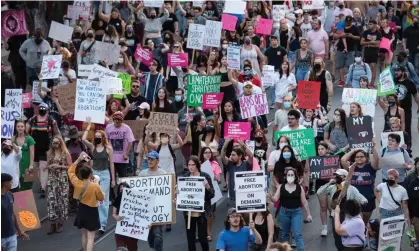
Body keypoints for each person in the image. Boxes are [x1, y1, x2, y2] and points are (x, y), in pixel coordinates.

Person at [82, 120, 115, 234]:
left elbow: (111, 164)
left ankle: (103, 224)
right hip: (95, 174)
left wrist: (113, 179)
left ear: (103, 138)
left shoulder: (108, 149)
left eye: (99, 136)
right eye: (95, 136)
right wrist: (89, 126)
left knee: (103, 199)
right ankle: (96, 220)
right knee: (94, 198)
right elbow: (83, 139)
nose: (97, 138)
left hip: (105, 174)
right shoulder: (92, 147)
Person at [270, 167, 312, 251]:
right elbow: (275, 199)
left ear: (295, 176)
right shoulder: (281, 187)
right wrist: (270, 196)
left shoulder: (299, 188)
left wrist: (308, 214)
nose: (290, 176)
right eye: (288, 175)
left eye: (292, 175)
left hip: (296, 212)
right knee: (285, 234)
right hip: (284, 212)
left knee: (297, 234)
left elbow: (304, 201)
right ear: (285, 176)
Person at [69, 152, 105, 251]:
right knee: (91, 237)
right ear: (90, 174)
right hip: (92, 211)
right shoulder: (95, 185)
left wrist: (78, 160)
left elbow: (71, 171)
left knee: (84, 235)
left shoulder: (77, 183)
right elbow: (101, 198)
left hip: (81, 209)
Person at [183, 156, 214, 251]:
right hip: (189, 212)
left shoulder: (205, 176)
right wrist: (178, 192)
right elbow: (182, 195)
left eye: (193, 165)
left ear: (197, 165)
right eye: (189, 165)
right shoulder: (185, 177)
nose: (191, 167)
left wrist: (207, 186)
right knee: (190, 239)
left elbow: (212, 194)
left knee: (202, 238)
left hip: (202, 212)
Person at [341, 147, 379, 224]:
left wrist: (373, 147)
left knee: (364, 222)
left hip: (368, 199)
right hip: (353, 200)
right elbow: (343, 160)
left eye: (362, 156)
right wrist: (354, 150)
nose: (359, 158)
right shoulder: (351, 167)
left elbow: (376, 159)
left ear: (366, 157)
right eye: (357, 157)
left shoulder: (371, 167)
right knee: (357, 221)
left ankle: (365, 233)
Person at [138, 151, 166, 251]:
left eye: (152, 159)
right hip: (146, 209)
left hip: (158, 209)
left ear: (157, 161)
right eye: (148, 159)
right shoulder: (142, 174)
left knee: (157, 235)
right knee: (150, 235)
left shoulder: (163, 174)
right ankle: (152, 247)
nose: (150, 161)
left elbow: (167, 192)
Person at [46, 136, 72, 234]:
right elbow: (47, 165)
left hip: (62, 179)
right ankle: (53, 223)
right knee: (52, 201)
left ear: (61, 143)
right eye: (53, 142)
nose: (55, 144)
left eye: (57, 142)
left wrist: (59, 166)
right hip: (52, 179)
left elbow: (71, 167)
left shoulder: (65, 153)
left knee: (62, 200)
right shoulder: (49, 153)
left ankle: (60, 223)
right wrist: (49, 166)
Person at [221, 140, 253, 207]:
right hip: (233, 199)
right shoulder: (230, 164)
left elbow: (250, 155)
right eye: (231, 155)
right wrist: (226, 143)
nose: (231, 156)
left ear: (240, 156)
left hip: (244, 198)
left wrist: (243, 145)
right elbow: (222, 157)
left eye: (233, 155)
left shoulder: (246, 164)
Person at [1, 173, 29, 251]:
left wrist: (19, 231)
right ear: (5, 183)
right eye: (10, 182)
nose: (12, 183)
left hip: (12, 235)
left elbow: (13, 214)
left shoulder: (10, 195)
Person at [105, 112, 135, 178]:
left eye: (119, 120)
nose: (117, 121)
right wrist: (107, 151)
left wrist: (127, 154)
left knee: (123, 178)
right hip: (111, 158)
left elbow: (131, 142)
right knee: (111, 179)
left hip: (122, 159)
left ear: (122, 120)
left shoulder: (127, 128)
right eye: (116, 119)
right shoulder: (108, 127)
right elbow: (106, 139)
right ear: (113, 119)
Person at [394, 65, 419, 139]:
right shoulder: (392, 81)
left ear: (403, 72)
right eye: (395, 71)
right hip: (395, 109)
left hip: (406, 110)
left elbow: (415, 95)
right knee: (395, 127)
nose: (396, 72)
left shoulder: (409, 83)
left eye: (398, 71)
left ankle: (407, 146)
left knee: (407, 128)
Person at [113, 182, 138, 251]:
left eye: (125, 190)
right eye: (121, 191)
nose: (123, 192)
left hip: (132, 231)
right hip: (120, 230)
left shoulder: (135, 200)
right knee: (120, 249)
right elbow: (114, 213)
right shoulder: (117, 199)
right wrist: (116, 217)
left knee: (132, 248)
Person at [12, 121, 35, 191]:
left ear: (24, 128)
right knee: (17, 185)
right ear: (16, 128)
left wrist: (31, 165)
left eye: (22, 126)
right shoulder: (13, 139)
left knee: (27, 187)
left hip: (27, 164)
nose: (20, 128)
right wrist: (11, 142)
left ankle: (27, 202)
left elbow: (32, 152)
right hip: (16, 165)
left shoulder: (29, 139)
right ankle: (18, 202)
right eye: (18, 126)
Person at [360, 20, 382, 88]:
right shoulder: (366, 32)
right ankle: (366, 83)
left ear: (375, 25)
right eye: (369, 24)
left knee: (373, 67)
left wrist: (368, 43)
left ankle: (372, 83)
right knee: (366, 68)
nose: (369, 25)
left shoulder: (378, 33)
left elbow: (378, 44)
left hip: (374, 52)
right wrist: (371, 42)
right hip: (366, 52)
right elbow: (361, 42)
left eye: (371, 24)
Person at [403, 158, 419, 240]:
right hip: (415, 214)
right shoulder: (410, 178)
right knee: (416, 233)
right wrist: (409, 214)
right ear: (416, 165)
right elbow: (404, 198)